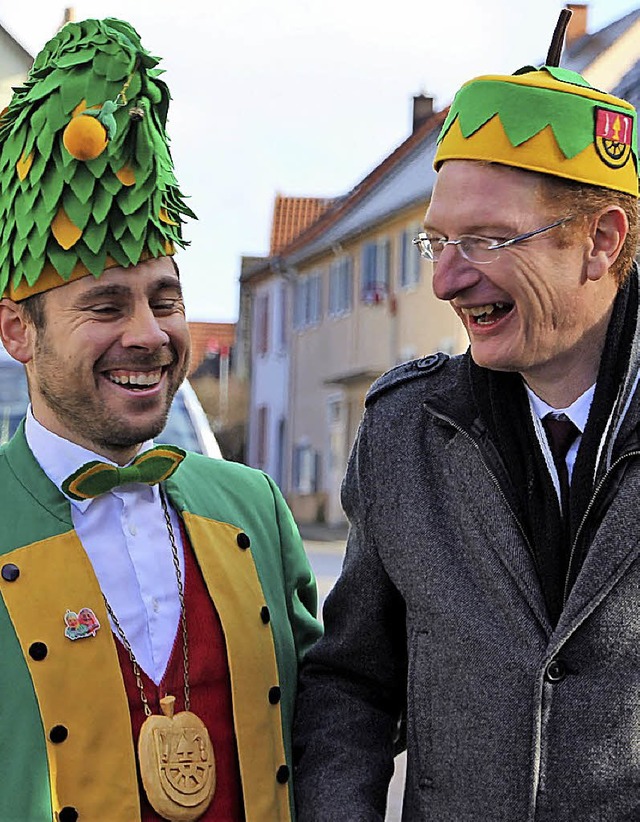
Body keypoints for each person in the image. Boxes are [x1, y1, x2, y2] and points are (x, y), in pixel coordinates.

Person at [293, 13, 640, 822]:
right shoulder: (402, 433)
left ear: (601, 239)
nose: (446, 281)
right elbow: (351, 686)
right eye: (436, 243)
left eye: (483, 241)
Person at [0, 18, 321, 822]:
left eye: (165, 299)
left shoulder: (254, 506)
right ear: (17, 331)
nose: (148, 333)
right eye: (105, 305)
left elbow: (336, 724)